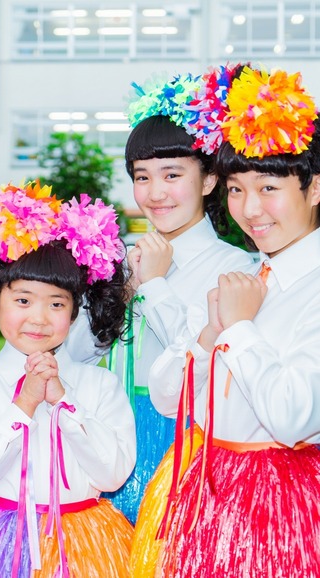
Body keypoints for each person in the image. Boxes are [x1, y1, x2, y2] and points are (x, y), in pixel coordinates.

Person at [145, 65, 320, 577]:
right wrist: (206, 337)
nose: (250, 209)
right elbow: (168, 398)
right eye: (237, 189)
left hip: (284, 506)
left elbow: (293, 417)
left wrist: (239, 329)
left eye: (268, 188)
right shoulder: (247, 275)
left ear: (313, 190)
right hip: (210, 490)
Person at [65, 70, 253, 527]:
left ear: (208, 180)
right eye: (142, 177)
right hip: (105, 438)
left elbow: (200, 371)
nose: (155, 193)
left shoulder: (237, 270)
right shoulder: (119, 261)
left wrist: (153, 286)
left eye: (172, 175)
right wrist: (124, 288)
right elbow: (74, 353)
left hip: (187, 447)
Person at [0, 181, 137, 577]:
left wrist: (65, 402)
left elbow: (113, 473)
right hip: (0, 542)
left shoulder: (100, 385)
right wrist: (25, 404)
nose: (38, 318)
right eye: (23, 300)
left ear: (74, 313)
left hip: (86, 545)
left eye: (56, 304)